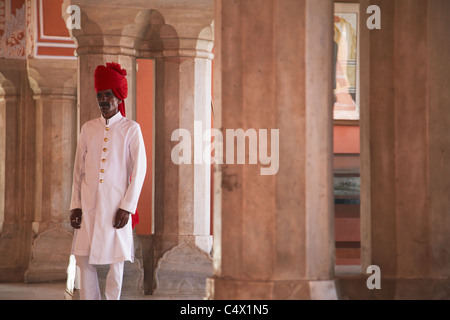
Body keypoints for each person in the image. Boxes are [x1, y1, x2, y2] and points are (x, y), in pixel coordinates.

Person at [69, 62, 147, 300]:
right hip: (89, 204)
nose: (103, 100)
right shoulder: (87, 129)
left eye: (108, 96)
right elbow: (78, 171)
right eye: (100, 95)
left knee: (116, 262)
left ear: (118, 98)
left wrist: (127, 207)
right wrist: (75, 205)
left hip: (116, 206)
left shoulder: (131, 129)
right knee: (84, 258)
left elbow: (140, 170)